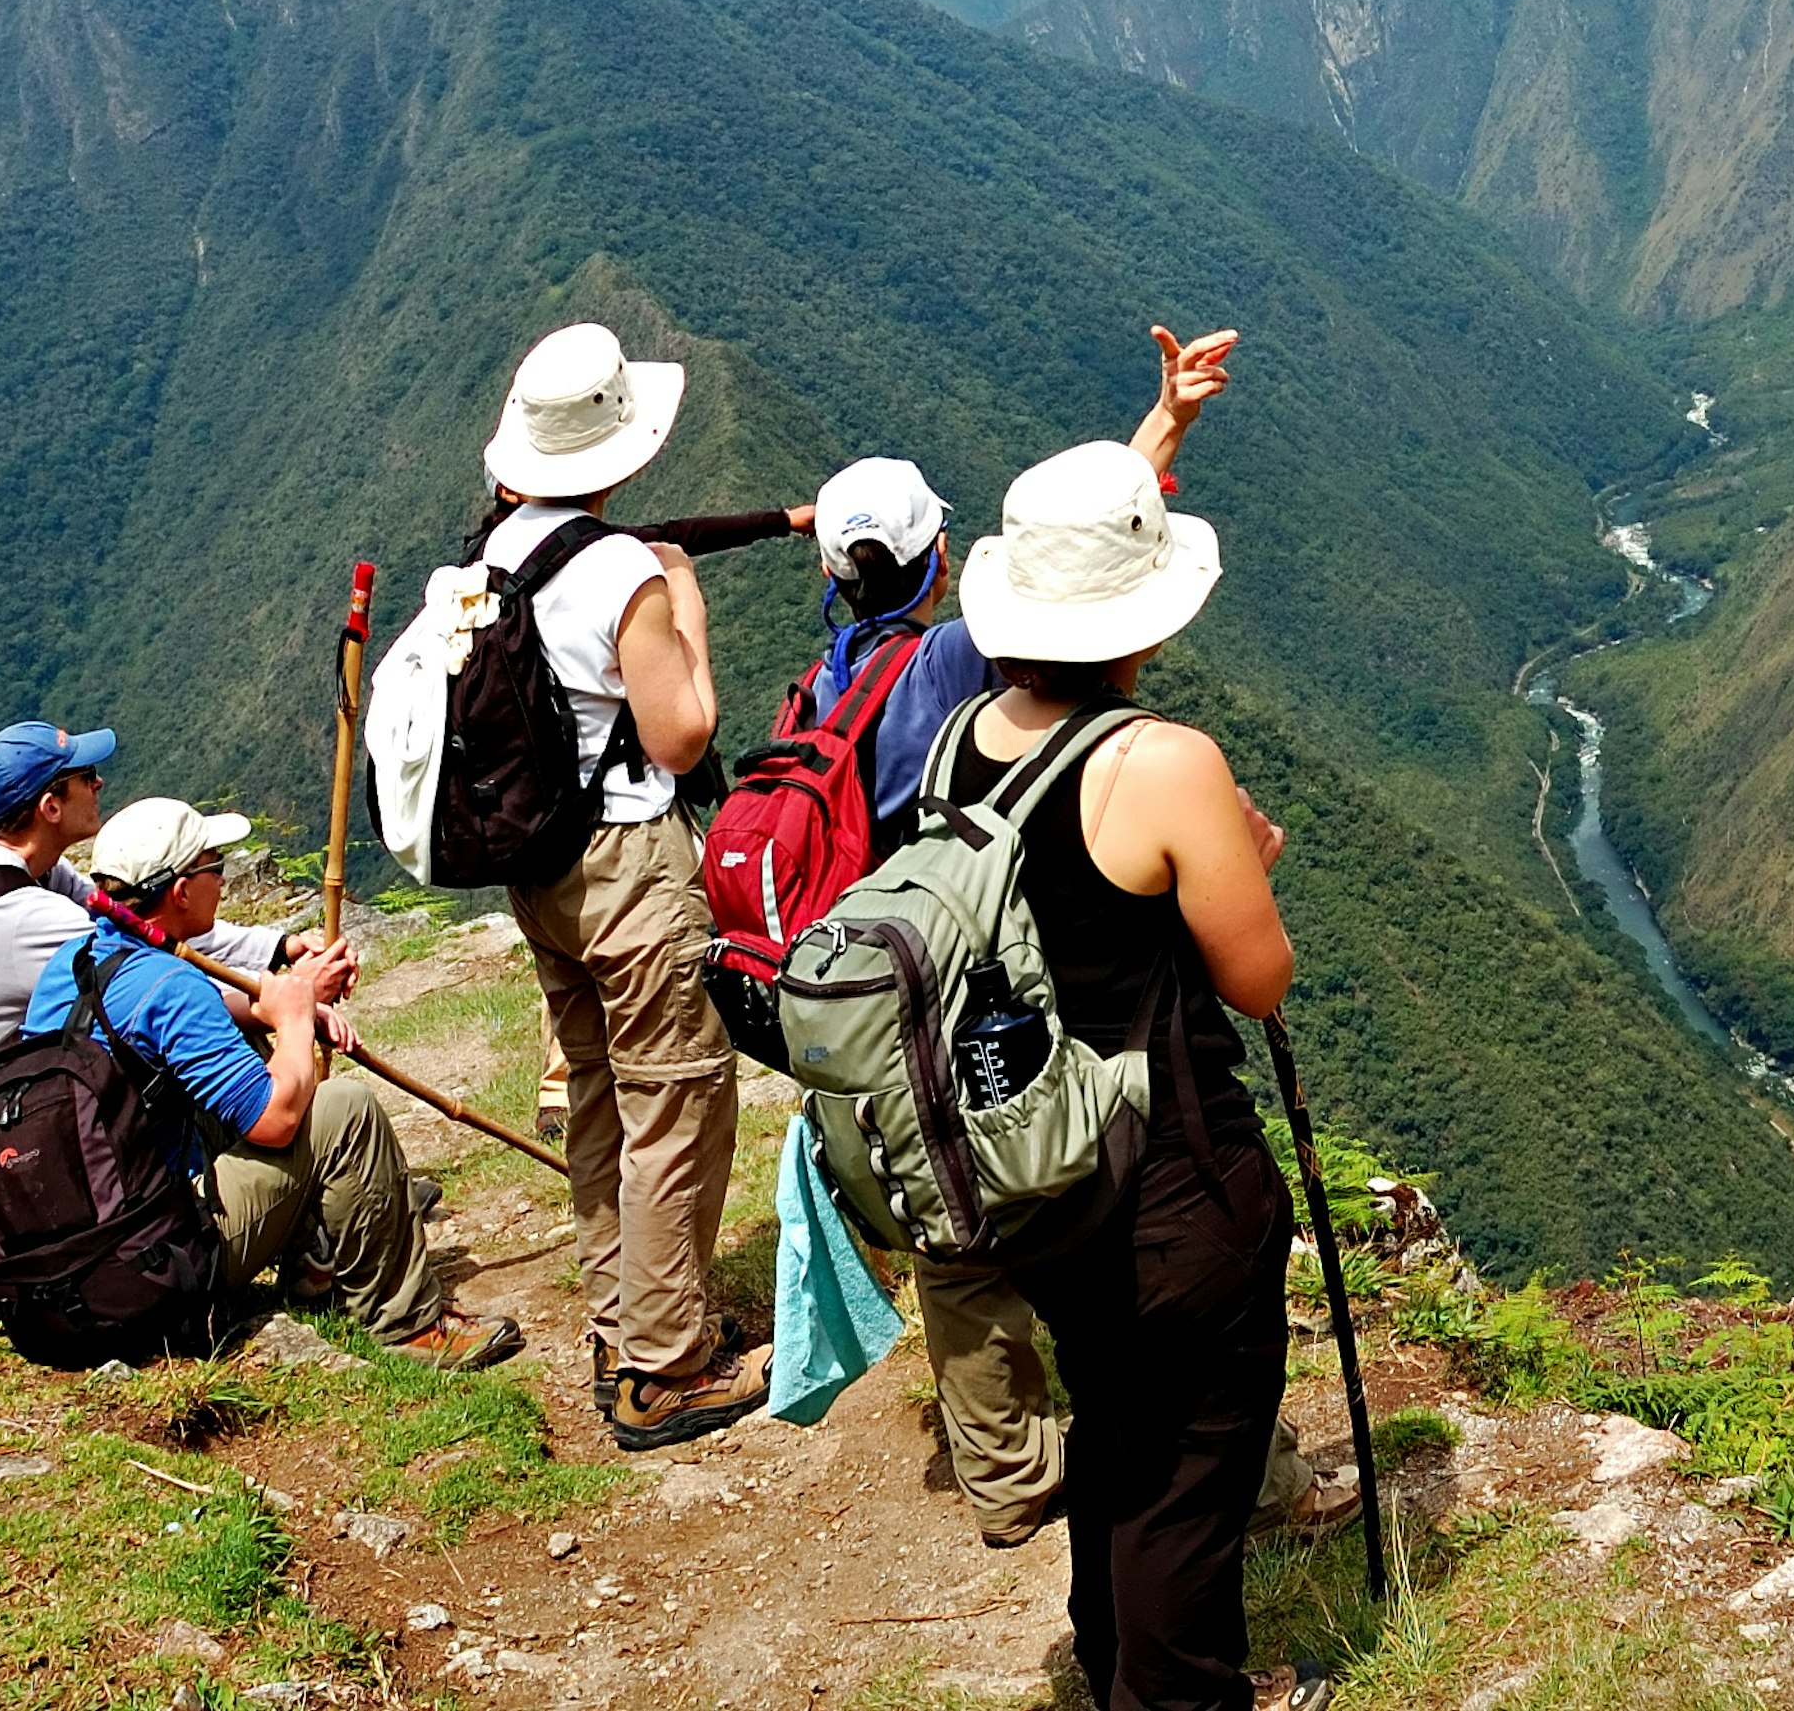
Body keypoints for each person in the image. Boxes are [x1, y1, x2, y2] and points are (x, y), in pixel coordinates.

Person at [794, 327, 1236, 1549]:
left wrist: (1164, 432)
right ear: (940, 566)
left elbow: (1065, 570)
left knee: (955, 1235)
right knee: (1094, 1224)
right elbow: (1079, 596)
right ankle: (1227, 1466)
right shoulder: (953, 668)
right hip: (996, 985)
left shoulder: (830, 683)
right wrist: (1162, 435)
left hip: (885, 990)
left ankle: (1004, 1474)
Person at [954, 439, 1298, 1711]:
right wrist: (1251, 859)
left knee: (1116, 1432)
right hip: (1172, 1181)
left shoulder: (957, 748)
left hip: (1033, 1178)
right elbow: (1258, 981)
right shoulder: (1160, 761)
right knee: (1187, 1474)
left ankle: (1112, 1671)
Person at [476, 321, 759, 1448]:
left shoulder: (488, 560)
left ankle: (621, 1322)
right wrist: (685, 604)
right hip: (630, 862)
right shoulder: (623, 573)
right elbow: (684, 735)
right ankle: (665, 1365)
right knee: (677, 1098)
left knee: (596, 1092)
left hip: (538, 870)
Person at [17, 795, 517, 1367]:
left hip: (87, 1248)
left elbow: (176, 1021)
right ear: (180, 892)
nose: (222, 882)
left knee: (250, 1050)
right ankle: (407, 1326)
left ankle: (313, 1260)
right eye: (214, 868)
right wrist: (297, 1021)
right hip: (156, 1263)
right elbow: (275, 1122)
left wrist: (269, 1010)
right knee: (346, 1111)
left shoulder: (76, 961)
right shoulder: (168, 987)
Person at [0, 718, 339, 1095]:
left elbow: (140, 920)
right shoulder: (27, 918)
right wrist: (287, 998)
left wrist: (281, 948)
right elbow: (163, 986)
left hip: (38, 1079)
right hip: (14, 1122)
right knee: (214, 1039)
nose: (99, 783)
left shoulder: (6, 864)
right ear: (51, 807)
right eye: (86, 776)